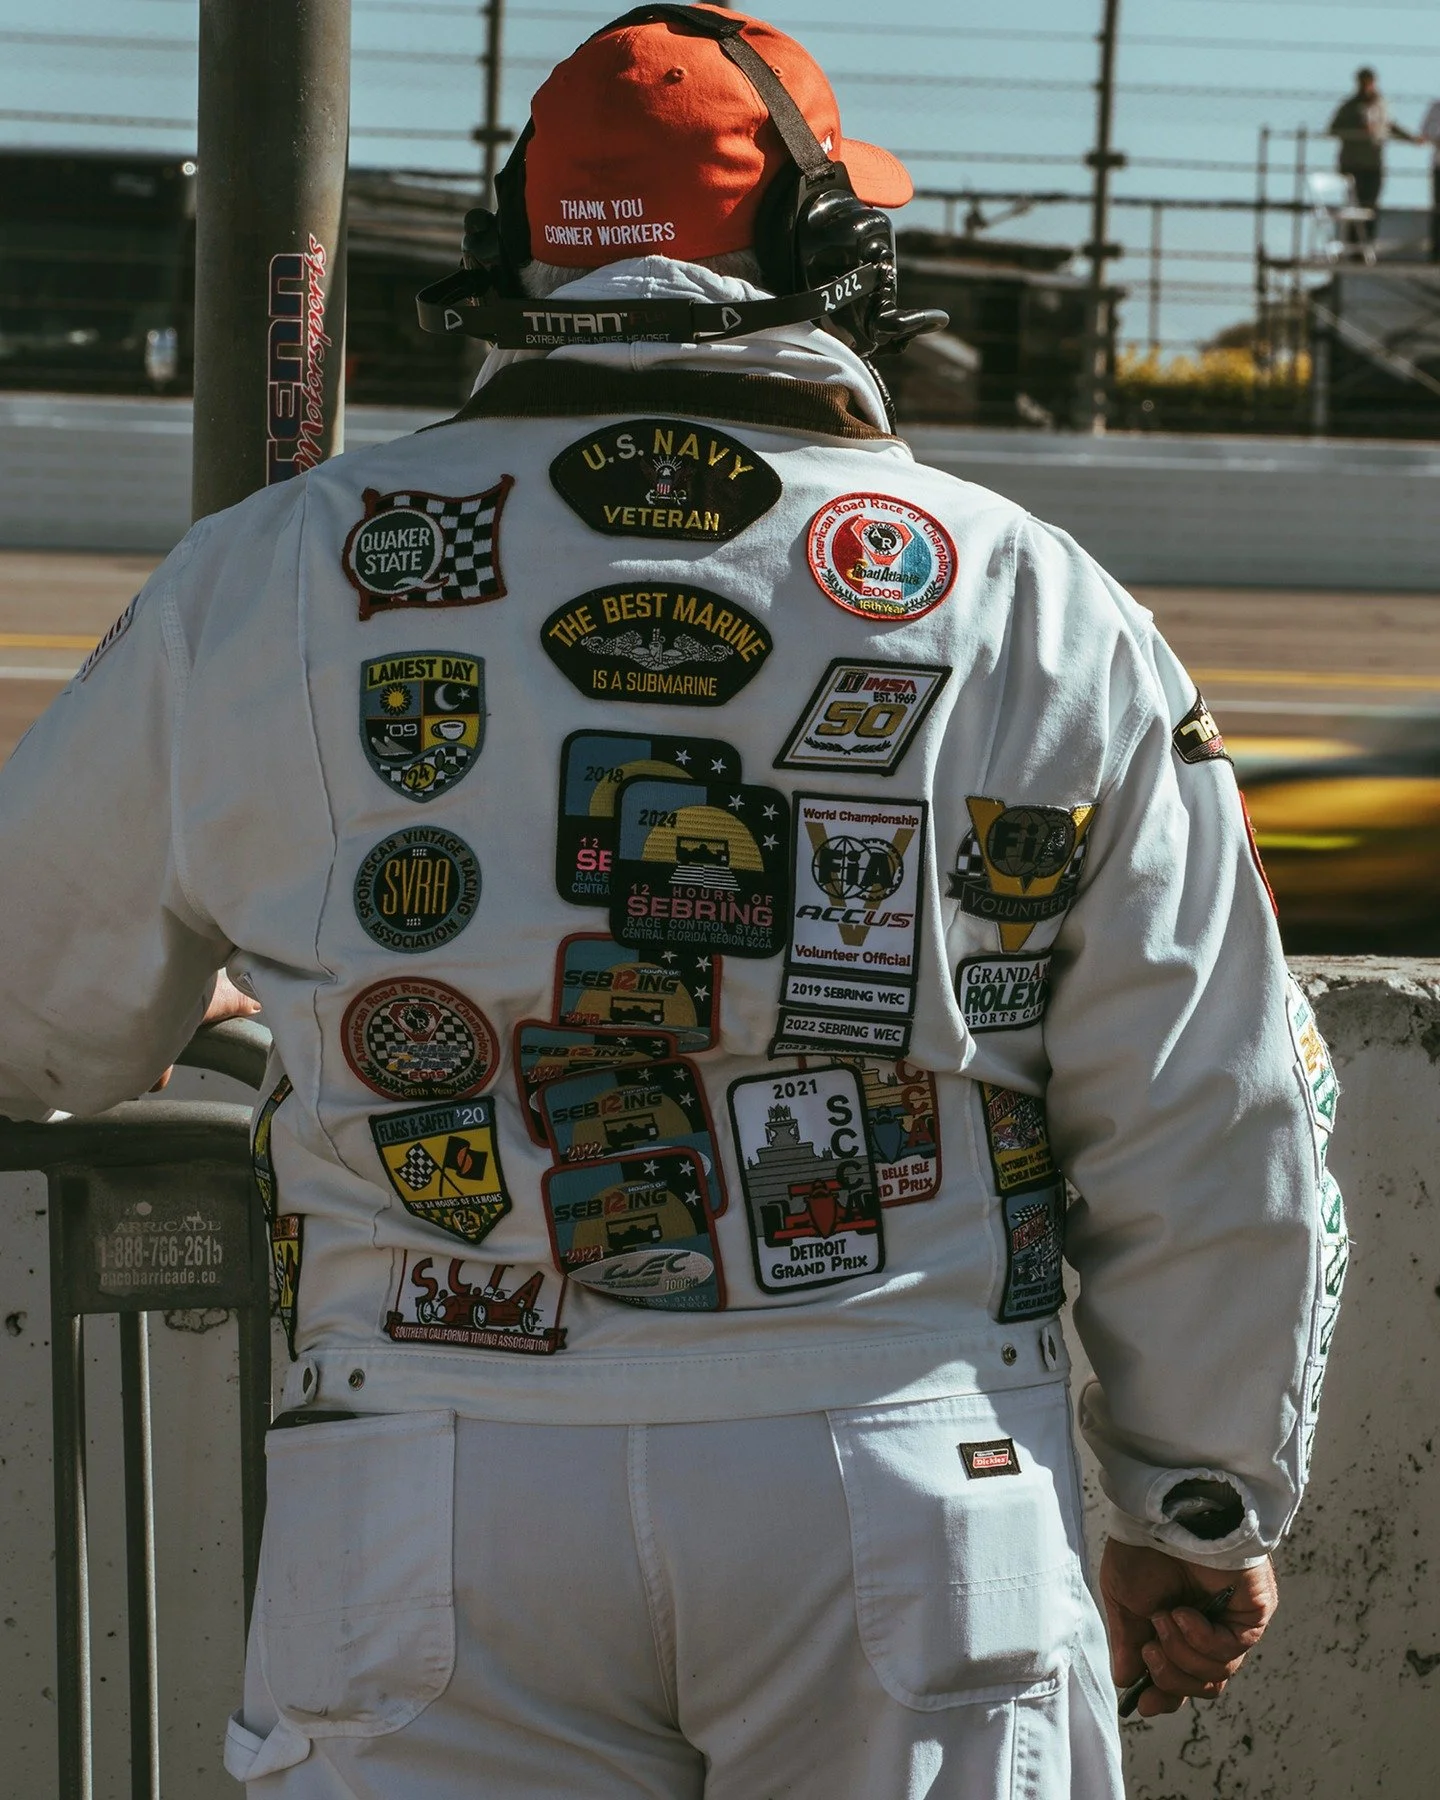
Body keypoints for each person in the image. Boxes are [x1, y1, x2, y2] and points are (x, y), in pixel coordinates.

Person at [0, 7, 1344, 1796]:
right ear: (825, 251)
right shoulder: (1037, 602)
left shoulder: (263, 578)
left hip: (418, 1483)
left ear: (512, 254)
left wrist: (237, 1002)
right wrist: (1199, 1495)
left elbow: (28, 1012)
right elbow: (1211, 1096)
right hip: (909, 1484)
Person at [1328, 66, 1419, 246]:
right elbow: (1333, 129)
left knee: (1371, 205)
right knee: (1355, 206)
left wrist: (1411, 138)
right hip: (1353, 164)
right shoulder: (1349, 107)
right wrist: (1359, 131)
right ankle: (1353, 245)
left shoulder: (1381, 105)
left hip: (1374, 164)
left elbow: (1389, 126)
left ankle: (1367, 244)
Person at [1417, 94, 1440, 260]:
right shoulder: (1436, 108)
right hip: (1439, 166)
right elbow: (1424, 133)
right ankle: (1436, 251)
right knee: (1438, 209)